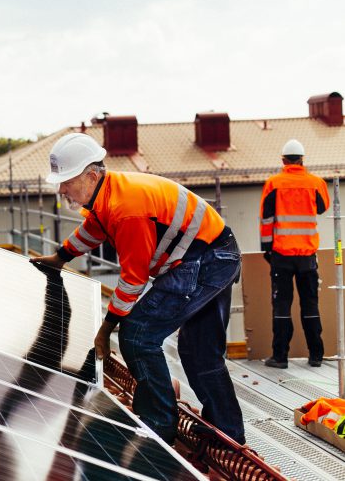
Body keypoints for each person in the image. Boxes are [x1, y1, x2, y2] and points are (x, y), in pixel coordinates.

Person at [30, 133, 245, 445]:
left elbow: (134, 279)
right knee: (198, 350)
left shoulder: (127, 208)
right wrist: (59, 258)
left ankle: (160, 423)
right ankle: (227, 430)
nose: (61, 189)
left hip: (207, 261)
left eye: (67, 181)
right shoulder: (107, 194)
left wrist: (106, 328)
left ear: (92, 175)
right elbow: (93, 231)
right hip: (212, 255)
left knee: (137, 335)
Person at [260, 138, 329, 369]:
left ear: (283, 160)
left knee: (282, 306)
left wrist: (266, 248)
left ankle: (280, 357)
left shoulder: (273, 183)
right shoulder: (316, 183)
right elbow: (322, 207)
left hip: (281, 255)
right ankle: (316, 356)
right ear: (302, 159)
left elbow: (266, 219)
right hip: (307, 256)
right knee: (310, 305)